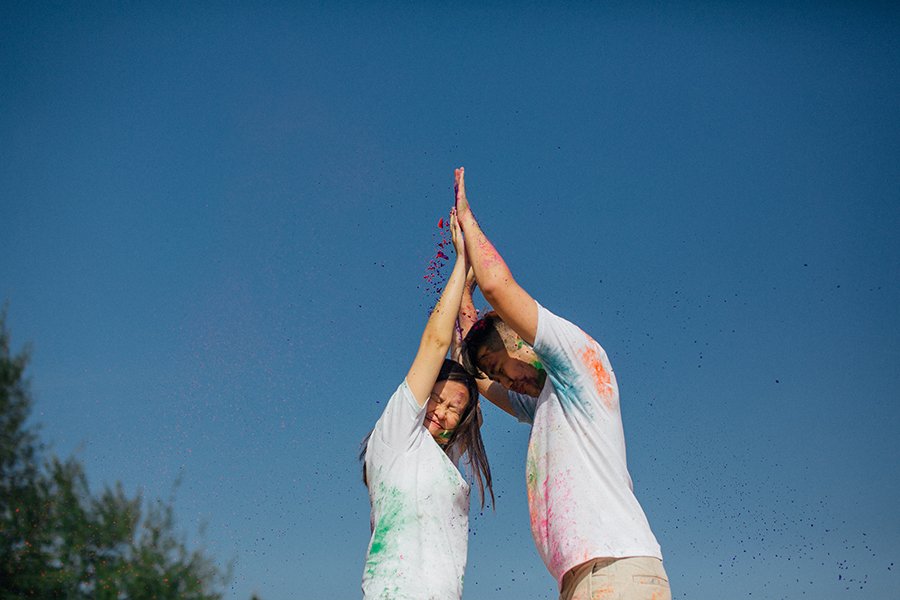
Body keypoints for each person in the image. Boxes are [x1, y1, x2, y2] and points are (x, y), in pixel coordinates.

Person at [454, 167, 670, 600]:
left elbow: (498, 286)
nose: (506, 381)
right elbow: (475, 379)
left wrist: (465, 221)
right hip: (585, 576)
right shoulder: (548, 403)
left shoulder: (577, 367)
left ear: (521, 339)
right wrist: (463, 299)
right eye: (498, 376)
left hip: (616, 568)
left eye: (503, 365)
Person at [360, 209, 493, 600]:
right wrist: (461, 262)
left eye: (454, 408)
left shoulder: (444, 459)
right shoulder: (398, 434)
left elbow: (466, 368)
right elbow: (436, 344)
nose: (442, 409)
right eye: (436, 398)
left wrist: (468, 293)